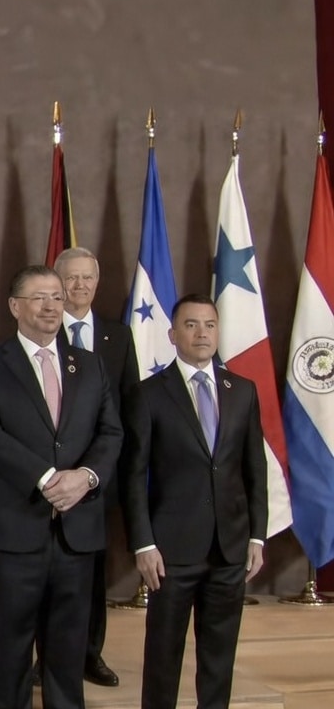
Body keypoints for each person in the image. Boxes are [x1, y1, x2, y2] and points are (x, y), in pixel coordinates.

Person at [0, 265, 122, 709]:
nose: (52, 305)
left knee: (68, 645)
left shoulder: (89, 364)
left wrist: (85, 477)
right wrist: (48, 478)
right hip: (17, 525)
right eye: (39, 297)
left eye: (57, 296)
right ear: (15, 306)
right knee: (12, 643)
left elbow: (111, 433)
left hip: (78, 528)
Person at [121, 294, 266, 709]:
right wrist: (143, 544)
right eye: (191, 324)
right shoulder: (148, 394)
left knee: (219, 657)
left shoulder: (243, 391)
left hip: (230, 547)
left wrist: (256, 536)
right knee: (163, 656)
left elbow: (255, 469)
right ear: (172, 334)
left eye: (209, 325)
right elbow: (133, 476)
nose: (202, 333)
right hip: (171, 550)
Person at [51, 246, 141, 688]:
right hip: (50, 477)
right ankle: (47, 658)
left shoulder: (118, 337)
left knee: (92, 574)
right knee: (49, 575)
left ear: (97, 282)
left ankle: (91, 654)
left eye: (87, 277)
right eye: (71, 277)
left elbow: (130, 408)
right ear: (57, 282)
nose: (80, 285)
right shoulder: (42, 331)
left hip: (100, 478)